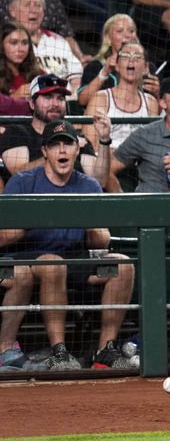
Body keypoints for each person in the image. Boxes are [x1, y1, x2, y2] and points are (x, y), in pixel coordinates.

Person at [0, 119, 135, 371]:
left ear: (76, 150)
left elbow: (102, 239)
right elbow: (2, 235)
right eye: (55, 145)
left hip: (76, 257)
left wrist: (90, 225)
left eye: (67, 144)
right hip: (28, 258)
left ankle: (105, 349)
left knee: (123, 266)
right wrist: (36, 219)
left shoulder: (89, 185)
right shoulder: (23, 181)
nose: (62, 150)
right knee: (53, 265)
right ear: (45, 151)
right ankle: (59, 351)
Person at [0, 74, 110, 188]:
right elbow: (19, 173)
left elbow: (99, 181)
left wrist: (104, 140)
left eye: (60, 98)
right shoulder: (16, 133)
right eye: (48, 97)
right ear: (32, 103)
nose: (55, 104)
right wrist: (58, 155)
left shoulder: (75, 137)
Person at [84, 41, 160, 152]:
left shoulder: (151, 102)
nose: (131, 60)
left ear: (145, 68)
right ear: (117, 65)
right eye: (125, 56)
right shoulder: (100, 98)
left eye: (137, 56)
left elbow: (154, 146)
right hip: (106, 163)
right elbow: (91, 146)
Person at [8, 0, 83, 93]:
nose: (33, 10)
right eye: (27, 5)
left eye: (38, 5)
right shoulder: (5, 43)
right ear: (12, 10)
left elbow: (76, 80)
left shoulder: (59, 42)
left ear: (43, 12)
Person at [77, 14, 147, 107]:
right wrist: (104, 73)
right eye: (120, 31)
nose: (127, 35)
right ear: (108, 38)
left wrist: (156, 93)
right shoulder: (95, 66)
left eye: (131, 31)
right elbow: (82, 100)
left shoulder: (147, 67)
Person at [0, 21, 41, 108]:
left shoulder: (39, 75)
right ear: (1, 45)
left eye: (25, 43)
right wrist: (14, 97)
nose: (20, 49)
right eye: (14, 43)